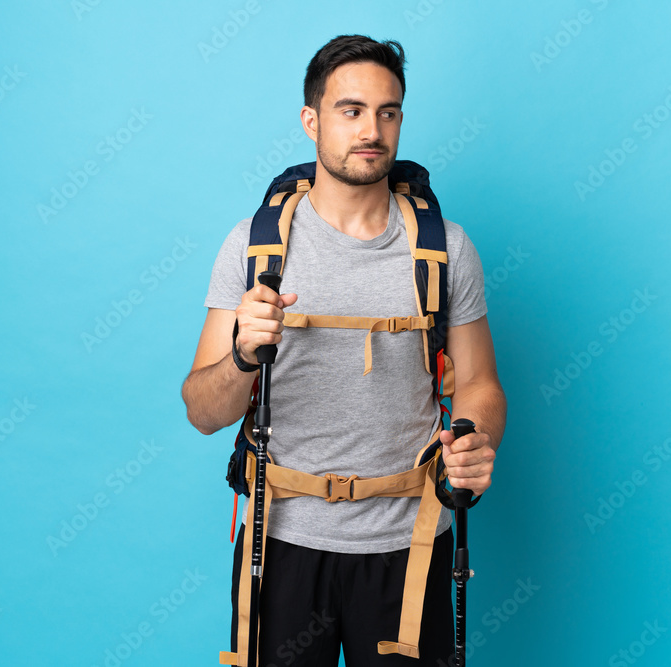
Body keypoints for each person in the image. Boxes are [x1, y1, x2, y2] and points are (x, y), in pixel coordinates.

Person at [182, 34, 506, 666]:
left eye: (388, 112)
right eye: (351, 110)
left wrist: (474, 436)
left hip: (409, 543)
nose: (372, 130)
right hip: (282, 543)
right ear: (312, 121)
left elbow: (481, 383)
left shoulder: (447, 251)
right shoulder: (254, 248)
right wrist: (244, 356)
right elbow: (202, 411)